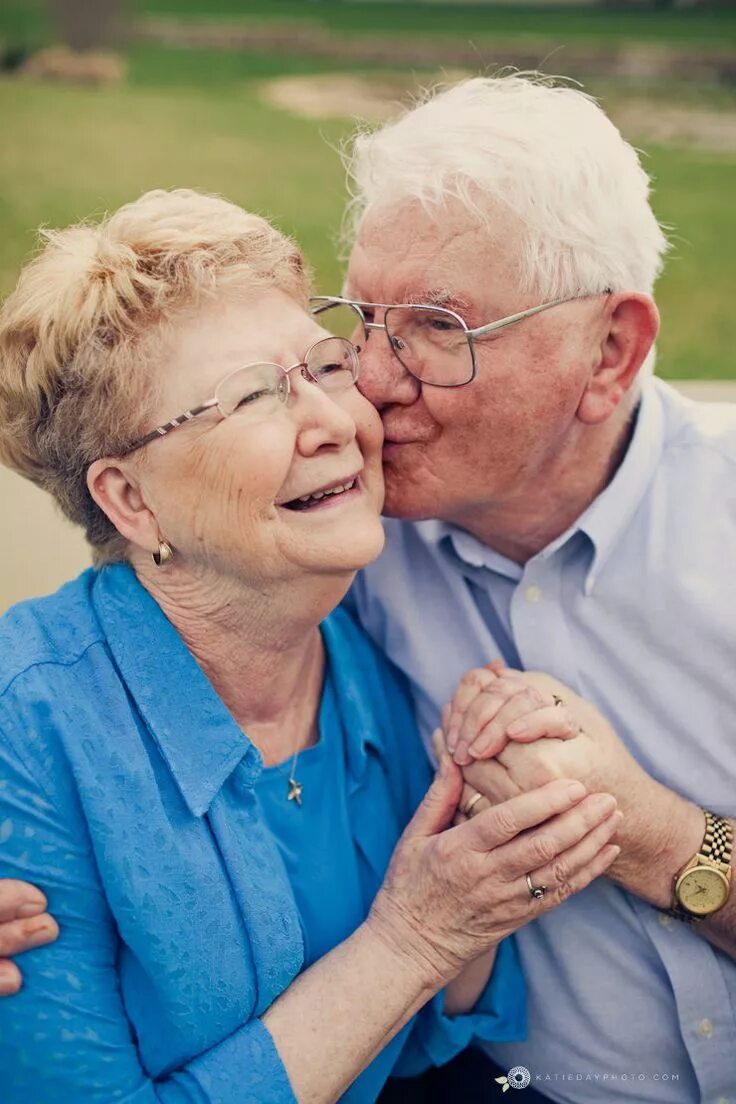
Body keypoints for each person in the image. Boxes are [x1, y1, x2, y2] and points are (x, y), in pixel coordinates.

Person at [0, 187, 620, 1103]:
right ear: (131, 501)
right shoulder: (31, 727)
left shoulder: (362, 645)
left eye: (327, 368)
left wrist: (486, 862)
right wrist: (417, 937)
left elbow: (428, 1048)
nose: (335, 422)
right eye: (250, 396)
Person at [323, 74, 735, 1102]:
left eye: (437, 329)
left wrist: (651, 833)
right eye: (362, 316)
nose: (372, 377)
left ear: (611, 350)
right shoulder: (332, 533)